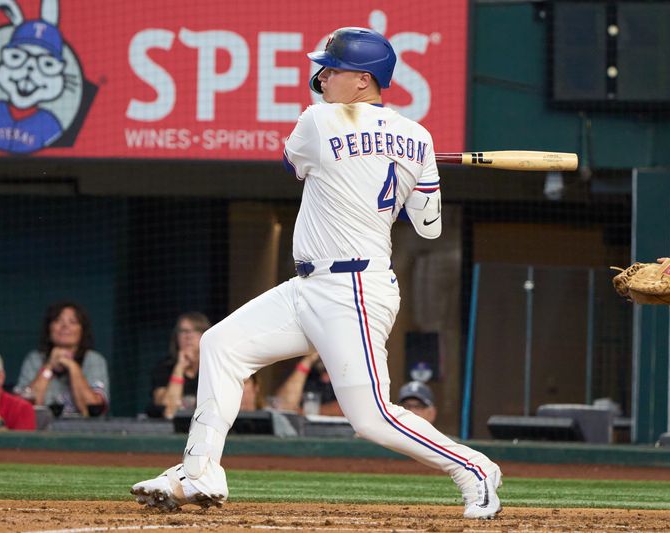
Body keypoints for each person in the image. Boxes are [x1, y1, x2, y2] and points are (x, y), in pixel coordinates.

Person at [131, 27, 502, 520]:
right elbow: (429, 225)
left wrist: (391, 163)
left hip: (354, 290)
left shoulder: (318, 120)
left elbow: (295, 163)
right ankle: (199, 472)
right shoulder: (418, 137)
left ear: (365, 81)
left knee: (370, 418)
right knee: (220, 345)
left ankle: (474, 469)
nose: (321, 76)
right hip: (308, 286)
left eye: (333, 69)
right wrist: (421, 170)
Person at [14, 301, 109, 417]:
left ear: (82, 330)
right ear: (49, 328)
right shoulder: (35, 359)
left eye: (73, 322)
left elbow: (92, 409)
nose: (65, 326)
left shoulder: (93, 360)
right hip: (41, 431)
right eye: (58, 321)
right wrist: (49, 367)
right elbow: (24, 408)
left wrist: (72, 367)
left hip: (84, 431)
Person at [146, 312, 211, 419]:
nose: (189, 336)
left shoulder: (214, 368)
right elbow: (168, 410)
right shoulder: (164, 368)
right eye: (184, 331)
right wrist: (179, 368)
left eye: (196, 330)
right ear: (177, 336)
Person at [273, 353, 342, 416]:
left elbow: (348, 406)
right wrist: (307, 361)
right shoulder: (308, 372)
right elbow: (285, 406)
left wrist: (305, 411)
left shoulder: (347, 369)